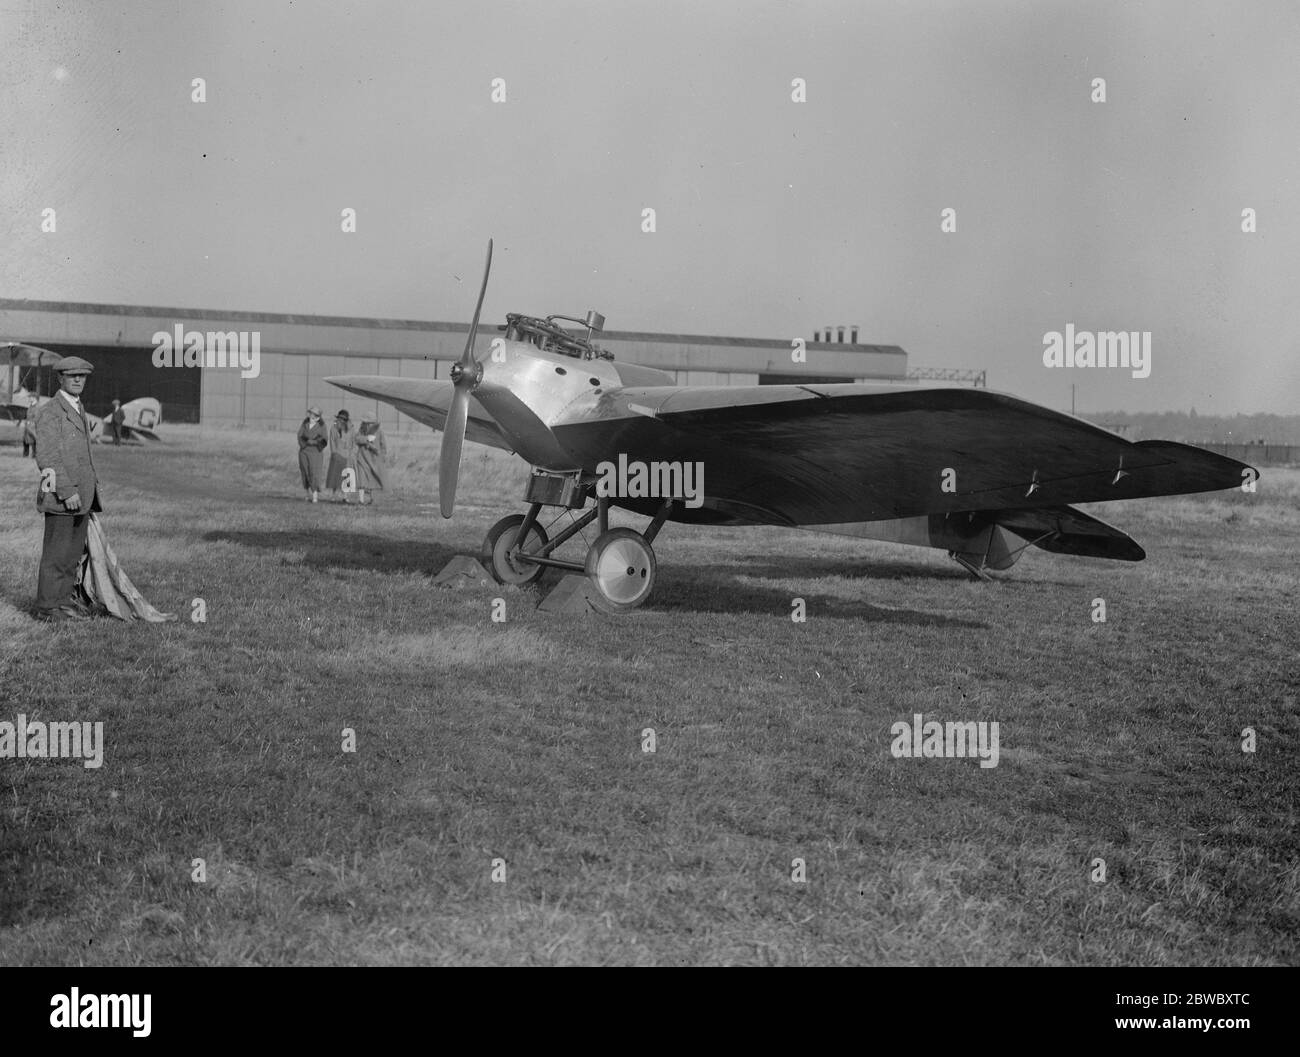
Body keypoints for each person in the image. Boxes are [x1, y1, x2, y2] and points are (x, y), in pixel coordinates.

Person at [32, 357, 101, 621]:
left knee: (71, 555)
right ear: (60, 378)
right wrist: (68, 490)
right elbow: (47, 457)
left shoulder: (77, 407)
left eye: (82, 376)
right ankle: (47, 607)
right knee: (56, 554)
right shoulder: (51, 411)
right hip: (63, 496)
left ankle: (62, 602)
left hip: (81, 496)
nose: (78, 380)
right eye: (72, 376)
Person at [353, 419, 387, 505]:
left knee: (372, 479)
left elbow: (383, 445)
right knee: (361, 479)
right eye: (367, 423)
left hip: (373, 460)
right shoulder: (361, 430)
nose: (369, 425)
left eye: (371, 423)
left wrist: (382, 456)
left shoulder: (379, 432)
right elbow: (357, 439)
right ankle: (361, 500)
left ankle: (372, 499)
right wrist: (366, 439)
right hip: (361, 458)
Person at [297, 406, 328, 502]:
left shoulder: (322, 426)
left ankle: (315, 495)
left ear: (318, 417)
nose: (312, 417)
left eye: (314, 415)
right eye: (311, 414)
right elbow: (300, 435)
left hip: (316, 453)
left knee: (314, 473)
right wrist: (305, 443)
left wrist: (314, 442)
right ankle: (307, 493)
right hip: (304, 451)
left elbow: (324, 439)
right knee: (305, 472)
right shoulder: (305, 423)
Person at [326, 409, 355, 503]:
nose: (341, 420)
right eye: (340, 418)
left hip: (347, 456)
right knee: (335, 476)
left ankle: (345, 496)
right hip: (337, 455)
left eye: (343, 419)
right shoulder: (333, 428)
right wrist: (334, 453)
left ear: (346, 420)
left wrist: (352, 453)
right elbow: (332, 441)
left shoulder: (351, 429)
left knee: (346, 476)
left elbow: (353, 442)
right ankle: (333, 495)